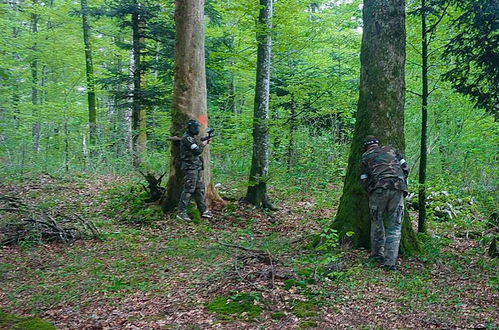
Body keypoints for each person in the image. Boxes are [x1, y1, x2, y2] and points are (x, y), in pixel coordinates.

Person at [360, 135, 409, 271]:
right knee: (395, 225)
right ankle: (390, 263)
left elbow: (364, 178)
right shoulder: (392, 150)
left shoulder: (365, 156)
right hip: (398, 188)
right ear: (377, 143)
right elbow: (405, 167)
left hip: (379, 190)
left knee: (377, 221)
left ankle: (377, 254)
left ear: (366, 146)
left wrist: (371, 189)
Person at [177, 120, 213, 221]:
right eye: (196, 128)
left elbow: (196, 146)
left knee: (199, 189)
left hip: (195, 167)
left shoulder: (191, 138)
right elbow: (197, 150)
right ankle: (181, 212)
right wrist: (204, 144)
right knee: (189, 189)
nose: (197, 130)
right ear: (191, 128)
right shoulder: (187, 138)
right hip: (190, 167)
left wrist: (204, 141)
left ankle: (204, 211)